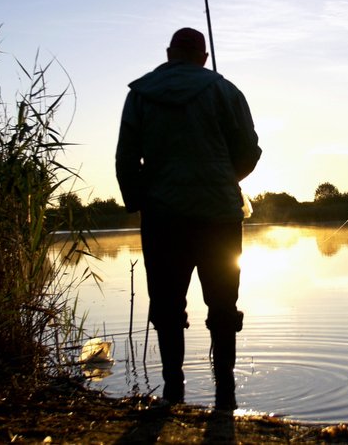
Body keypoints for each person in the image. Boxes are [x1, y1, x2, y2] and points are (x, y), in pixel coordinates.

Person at [115, 27, 261, 411]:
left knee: (166, 304)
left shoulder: (140, 94)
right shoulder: (226, 91)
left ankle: (172, 387)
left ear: (169, 53)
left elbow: (125, 158)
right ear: (204, 57)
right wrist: (224, 178)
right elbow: (249, 150)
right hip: (219, 216)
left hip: (163, 217)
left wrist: (138, 200)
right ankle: (225, 387)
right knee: (223, 302)